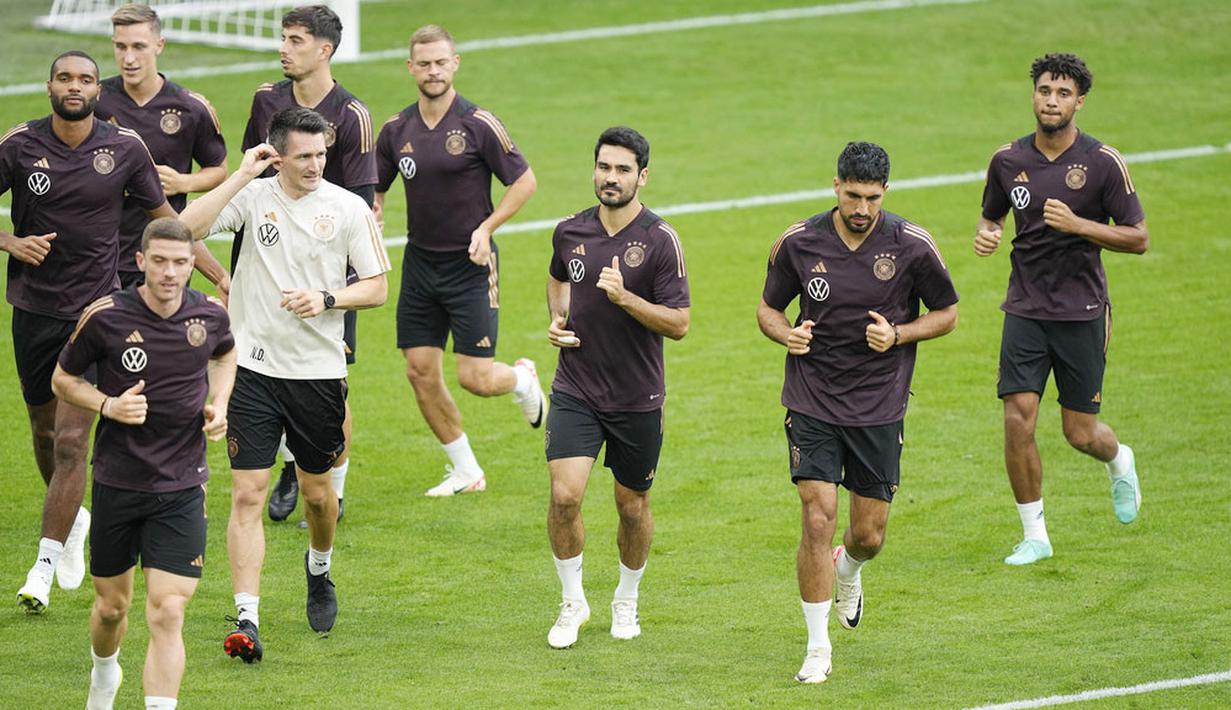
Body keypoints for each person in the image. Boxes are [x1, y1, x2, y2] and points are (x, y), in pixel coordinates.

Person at [180, 107, 390, 662]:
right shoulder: (252, 196)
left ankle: (318, 570)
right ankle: (247, 615)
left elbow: (376, 288)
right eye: (304, 155)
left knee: (320, 497)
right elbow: (187, 230)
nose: (316, 163)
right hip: (250, 367)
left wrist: (326, 300)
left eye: (321, 153)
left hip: (317, 372)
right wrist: (241, 174)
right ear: (278, 154)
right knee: (247, 492)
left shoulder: (346, 208)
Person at [757, 142, 958, 683]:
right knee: (817, 513)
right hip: (812, 398)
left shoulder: (911, 246)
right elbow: (768, 308)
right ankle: (818, 647)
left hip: (878, 404)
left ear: (885, 192)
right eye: (852, 196)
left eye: (872, 198)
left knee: (868, 535)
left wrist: (899, 334)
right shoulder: (799, 243)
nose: (862, 208)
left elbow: (948, 313)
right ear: (835, 186)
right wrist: (787, 334)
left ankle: (849, 569)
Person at [2, 50, 173, 613]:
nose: (74, 87)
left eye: (84, 80)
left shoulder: (124, 148)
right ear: (48, 84)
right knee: (47, 436)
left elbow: (164, 220)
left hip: (97, 314)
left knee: (76, 441)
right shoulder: (20, 144)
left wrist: (215, 273)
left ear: (98, 90)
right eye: (64, 78)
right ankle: (73, 522)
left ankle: (42, 568)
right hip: (33, 310)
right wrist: (11, 243)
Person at [51, 217, 235, 710]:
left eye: (180, 263)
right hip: (118, 480)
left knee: (168, 611)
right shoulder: (106, 316)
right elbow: (63, 380)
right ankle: (104, 674)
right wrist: (108, 405)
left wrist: (219, 401)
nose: (171, 273)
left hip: (182, 482)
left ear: (192, 264)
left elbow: (225, 357)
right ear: (140, 263)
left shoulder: (210, 317)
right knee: (113, 608)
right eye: (160, 262)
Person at [974, 53, 1148, 566]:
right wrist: (988, 234)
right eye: (1045, 90)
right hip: (1025, 308)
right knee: (1017, 419)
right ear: (1034, 94)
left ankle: (1119, 459)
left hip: (1082, 310)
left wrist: (1081, 226)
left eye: (1063, 93)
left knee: (1079, 432)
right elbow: (992, 216)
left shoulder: (1102, 163)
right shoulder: (1007, 160)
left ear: (1080, 101)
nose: (1052, 100)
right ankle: (1035, 536)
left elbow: (1138, 238)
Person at [374, 24, 542, 497]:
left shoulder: (478, 123)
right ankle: (466, 469)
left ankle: (522, 379)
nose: (432, 71)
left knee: (476, 378)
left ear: (455, 64)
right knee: (419, 371)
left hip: (471, 267)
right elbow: (376, 184)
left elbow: (524, 182)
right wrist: (376, 208)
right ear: (411, 68)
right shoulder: (395, 130)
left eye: (440, 62)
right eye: (423, 63)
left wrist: (487, 229)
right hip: (421, 266)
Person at [542, 127, 689, 649]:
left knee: (632, 506)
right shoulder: (569, 231)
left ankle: (626, 596)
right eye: (604, 167)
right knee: (565, 497)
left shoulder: (660, 241)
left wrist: (628, 301)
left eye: (623, 169)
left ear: (642, 176)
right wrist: (558, 317)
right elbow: (559, 277)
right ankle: (572, 601)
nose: (611, 177)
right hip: (576, 388)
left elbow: (679, 323)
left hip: (636, 397)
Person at [238, 4, 378, 523]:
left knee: (331, 382)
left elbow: (361, 204)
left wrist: (336, 295)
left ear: (324, 50)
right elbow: (248, 182)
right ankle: (286, 464)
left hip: (327, 277)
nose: (283, 48)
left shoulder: (352, 115)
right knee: (262, 368)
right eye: (283, 38)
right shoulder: (264, 101)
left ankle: (330, 489)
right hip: (266, 265)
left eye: (295, 40)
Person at [96, 3, 231, 296]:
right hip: (100, 259)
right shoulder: (94, 102)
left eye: (139, 47)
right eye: (121, 47)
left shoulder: (191, 108)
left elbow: (218, 168)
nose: (129, 58)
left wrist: (185, 182)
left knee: (162, 341)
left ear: (159, 45)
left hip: (166, 257)